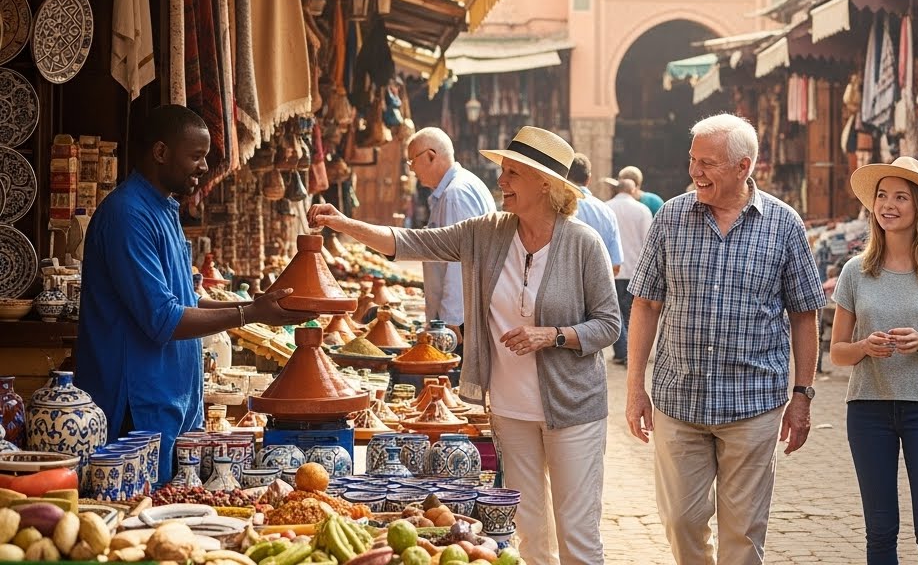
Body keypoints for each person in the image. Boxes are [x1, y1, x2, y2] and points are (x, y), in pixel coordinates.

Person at [309, 126, 619, 565]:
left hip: (573, 408)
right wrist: (344, 224)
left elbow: (608, 325)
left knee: (578, 532)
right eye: (504, 171)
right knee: (528, 529)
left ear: (544, 185)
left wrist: (552, 335)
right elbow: (412, 243)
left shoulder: (583, 244)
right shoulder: (487, 233)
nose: (501, 182)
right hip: (511, 408)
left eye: (512, 173)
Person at [625, 113, 826, 565]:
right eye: (693, 159)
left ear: (743, 166)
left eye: (708, 163)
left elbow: (804, 314)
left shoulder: (784, 225)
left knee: (743, 534)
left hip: (754, 403)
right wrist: (635, 386)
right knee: (681, 520)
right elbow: (645, 304)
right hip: (679, 400)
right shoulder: (670, 218)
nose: (695, 171)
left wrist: (803, 395)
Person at [75, 105, 298, 482]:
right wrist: (251, 314)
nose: (204, 166)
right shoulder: (128, 215)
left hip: (171, 399)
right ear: (161, 153)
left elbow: (186, 303)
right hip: (137, 403)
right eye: (196, 156)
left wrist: (259, 307)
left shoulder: (164, 208)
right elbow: (162, 318)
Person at [829, 156, 918, 565]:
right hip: (868, 409)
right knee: (881, 531)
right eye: (882, 196)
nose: (888, 205)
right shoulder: (855, 271)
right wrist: (864, 348)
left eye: (900, 197)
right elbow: (837, 352)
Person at [405, 127, 495, 344]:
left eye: (412, 161)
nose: (411, 169)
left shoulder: (456, 195)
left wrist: (448, 324)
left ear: (430, 156)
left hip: (461, 322)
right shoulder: (454, 190)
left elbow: (460, 263)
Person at [604, 176, 652, 366]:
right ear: (633, 190)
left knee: (615, 312)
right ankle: (631, 352)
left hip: (612, 270)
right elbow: (648, 242)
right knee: (631, 313)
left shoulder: (607, 208)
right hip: (635, 270)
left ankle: (622, 352)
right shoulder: (642, 210)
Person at [566, 153, 623, 274]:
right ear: (588, 179)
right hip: (596, 288)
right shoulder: (607, 212)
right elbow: (615, 266)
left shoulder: (553, 207)